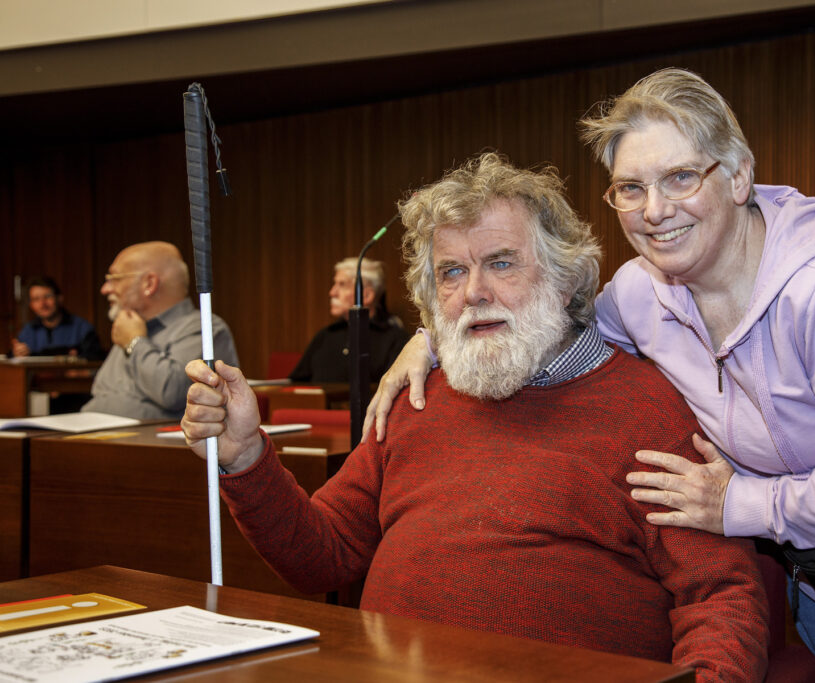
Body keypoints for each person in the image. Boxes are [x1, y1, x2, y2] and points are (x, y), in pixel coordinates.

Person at [366, 70, 815, 682]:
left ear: (737, 176)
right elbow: (541, 323)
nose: (654, 210)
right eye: (631, 188)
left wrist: (738, 504)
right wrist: (430, 338)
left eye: (680, 177)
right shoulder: (639, 295)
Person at [181, 153, 769, 681]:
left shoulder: (643, 408)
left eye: (502, 263)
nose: (474, 293)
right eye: (452, 272)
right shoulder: (415, 400)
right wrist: (245, 456)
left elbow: (720, 593)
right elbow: (321, 556)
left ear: (566, 280)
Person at [83, 241, 239, 420]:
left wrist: (135, 342)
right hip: (94, 438)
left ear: (149, 283)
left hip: (155, 445)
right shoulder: (130, 325)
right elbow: (102, 392)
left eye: (115, 278)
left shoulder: (205, 328)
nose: (105, 289)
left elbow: (172, 394)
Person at [288, 257, 409, 383]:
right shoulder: (325, 336)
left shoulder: (395, 340)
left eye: (342, 284)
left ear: (366, 295)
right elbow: (296, 383)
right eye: (334, 284)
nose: (332, 292)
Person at [11, 275, 103, 360]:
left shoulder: (82, 328)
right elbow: (12, 357)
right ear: (31, 305)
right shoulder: (28, 331)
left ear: (59, 298)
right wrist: (17, 353)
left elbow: (95, 359)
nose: (42, 304)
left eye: (47, 297)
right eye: (36, 299)